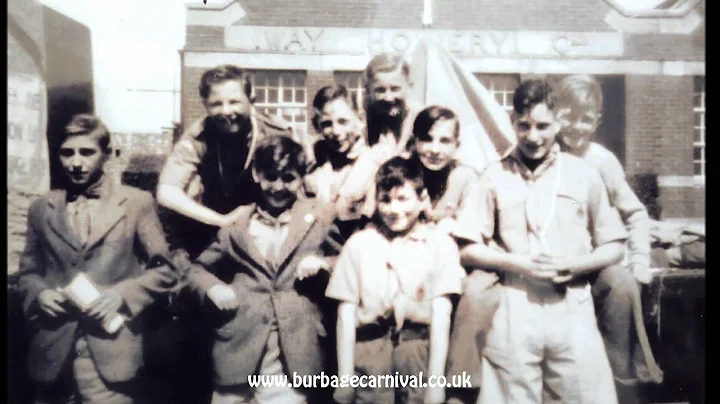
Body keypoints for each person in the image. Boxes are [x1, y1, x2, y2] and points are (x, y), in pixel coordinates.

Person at [464, 80, 627, 403]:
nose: (533, 136)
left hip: (572, 306)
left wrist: (577, 264)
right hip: (515, 306)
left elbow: (614, 245)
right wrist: (516, 263)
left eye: (542, 126)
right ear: (513, 124)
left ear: (558, 123)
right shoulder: (493, 176)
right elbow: (468, 248)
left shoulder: (584, 175)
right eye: (523, 126)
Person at [15, 114, 180, 404]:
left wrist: (123, 295)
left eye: (87, 152)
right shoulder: (41, 209)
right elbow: (28, 272)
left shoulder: (136, 202)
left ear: (106, 154)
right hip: (53, 356)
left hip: (112, 353)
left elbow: (165, 270)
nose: (76, 162)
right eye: (67, 153)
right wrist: (39, 295)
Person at [185, 135, 342, 404]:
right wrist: (213, 287)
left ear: (302, 177)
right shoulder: (238, 224)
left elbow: (347, 260)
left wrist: (323, 264)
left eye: (288, 177)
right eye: (270, 177)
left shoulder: (320, 216)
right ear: (257, 175)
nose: (278, 186)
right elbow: (195, 269)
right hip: (237, 350)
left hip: (292, 353)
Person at [555, 75, 664, 398]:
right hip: (558, 260)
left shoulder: (601, 161)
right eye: (567, 115)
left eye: (585, 119)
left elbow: (636, 214)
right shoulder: (544, 152)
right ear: (554, 112)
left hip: (598, 261)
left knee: (622, 286)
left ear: (598, 121)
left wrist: (641, 261)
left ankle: (622, 381)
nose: (576, 126)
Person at [326, 157, 467, 404]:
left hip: (419, 353)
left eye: (403, 199)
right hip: (370, 355)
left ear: (422, 200)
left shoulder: (440, 245)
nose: (393, 209)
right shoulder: (360, 245)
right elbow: (346, 315)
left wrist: (435, 384)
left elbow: (441, 315)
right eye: (386, 200)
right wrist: (345, 379)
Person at [406, 106, 501, 404]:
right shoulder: (405, 171)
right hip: (410, 258)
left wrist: (439, 222)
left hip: (454, 262)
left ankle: (459, 388)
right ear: (415, 141)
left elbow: (470, 234)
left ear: (457, 146)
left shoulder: (466, 178)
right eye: (427, 139)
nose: (434, 150)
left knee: (473, 297)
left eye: (445, 141)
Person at [157, 64, 296, 258]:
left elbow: (300, 183)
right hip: (215, 220)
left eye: (234, 102)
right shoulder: (199, 136)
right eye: (216, 104)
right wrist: (220, 220)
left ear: (251, 100)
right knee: (190, 188)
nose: (226, 111)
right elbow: (167, 191)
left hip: (266, 216)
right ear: (205, 105)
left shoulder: (274, 132)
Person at [335, 53, 423, 220]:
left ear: (409, 87)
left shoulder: (422, 122)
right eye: (380, 90)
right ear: (368, 91)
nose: (388, 97)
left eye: (395, 89)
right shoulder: (370, 121)